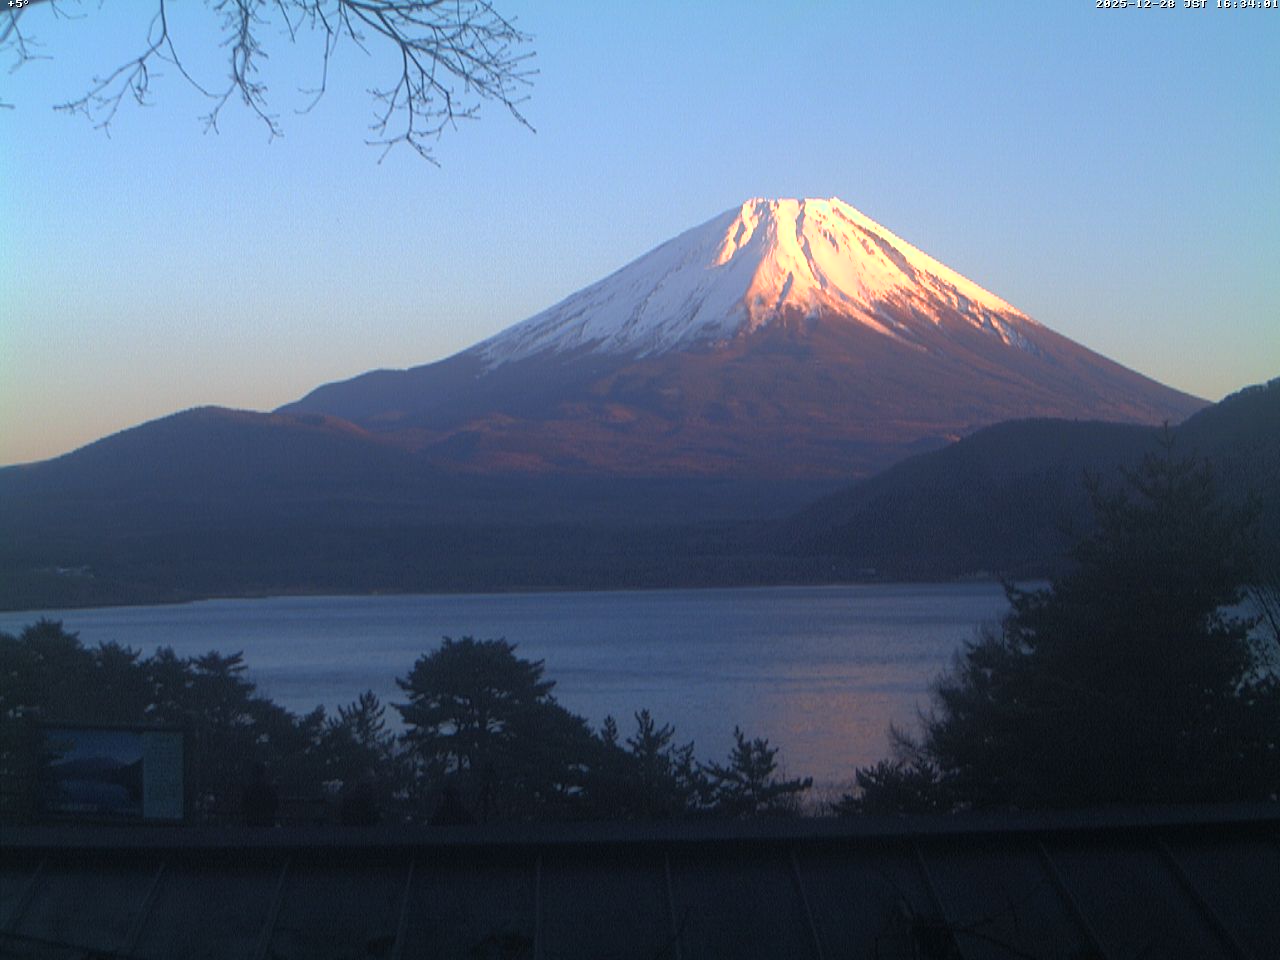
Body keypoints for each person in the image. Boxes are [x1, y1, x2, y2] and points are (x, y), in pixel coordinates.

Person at [242, 762, 279, 827]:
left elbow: (244, 805)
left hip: (252, 824)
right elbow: (275, 806)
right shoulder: (269, 790)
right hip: (267, 824)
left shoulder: (249, 789)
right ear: (264, 773)